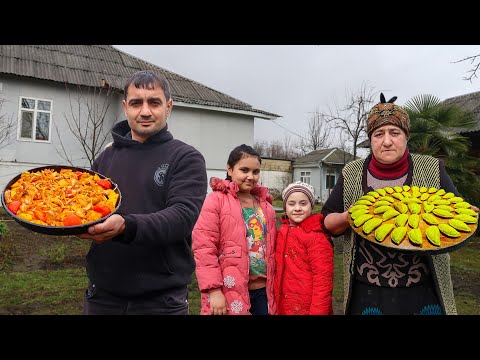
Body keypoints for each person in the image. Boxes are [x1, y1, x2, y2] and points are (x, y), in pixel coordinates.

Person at [321, 93, 479, 315]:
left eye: (395, 133)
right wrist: (352, 216)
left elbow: (457, 210)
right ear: (371, 139)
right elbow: (327, 222)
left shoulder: (432, 169)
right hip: (367, 291)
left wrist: (465, 215)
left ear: (406, 136)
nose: (386, 141)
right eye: (378, 134)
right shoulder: (352, 172)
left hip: (423, 290)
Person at [78, 70, 208, 315]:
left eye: (154, 102)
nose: (145, 111)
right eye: (137, 103)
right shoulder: (106, 158)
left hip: (161, 302)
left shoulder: (185, 158)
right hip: (102, 297)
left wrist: (126, 226)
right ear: (125, 107)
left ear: (168, 107)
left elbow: (181, 217)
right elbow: (86, 208)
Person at [192, 144, 277, 315]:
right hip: (228, 290)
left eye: (255, 172)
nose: (250, 176)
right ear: (229, 170)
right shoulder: (216, 200)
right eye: (244, 170)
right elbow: (204, 247)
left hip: (264, 292)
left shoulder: (266, 206)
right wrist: (214, 290)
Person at [274, 181, 334, 315]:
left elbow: (323, 280)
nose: (297, 208)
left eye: (303, 203)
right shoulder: (283, 231)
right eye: (291, 204)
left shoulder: (316, 236)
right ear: (285, 207)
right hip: (285, 304)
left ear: (311, 206)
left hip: (307, 308)